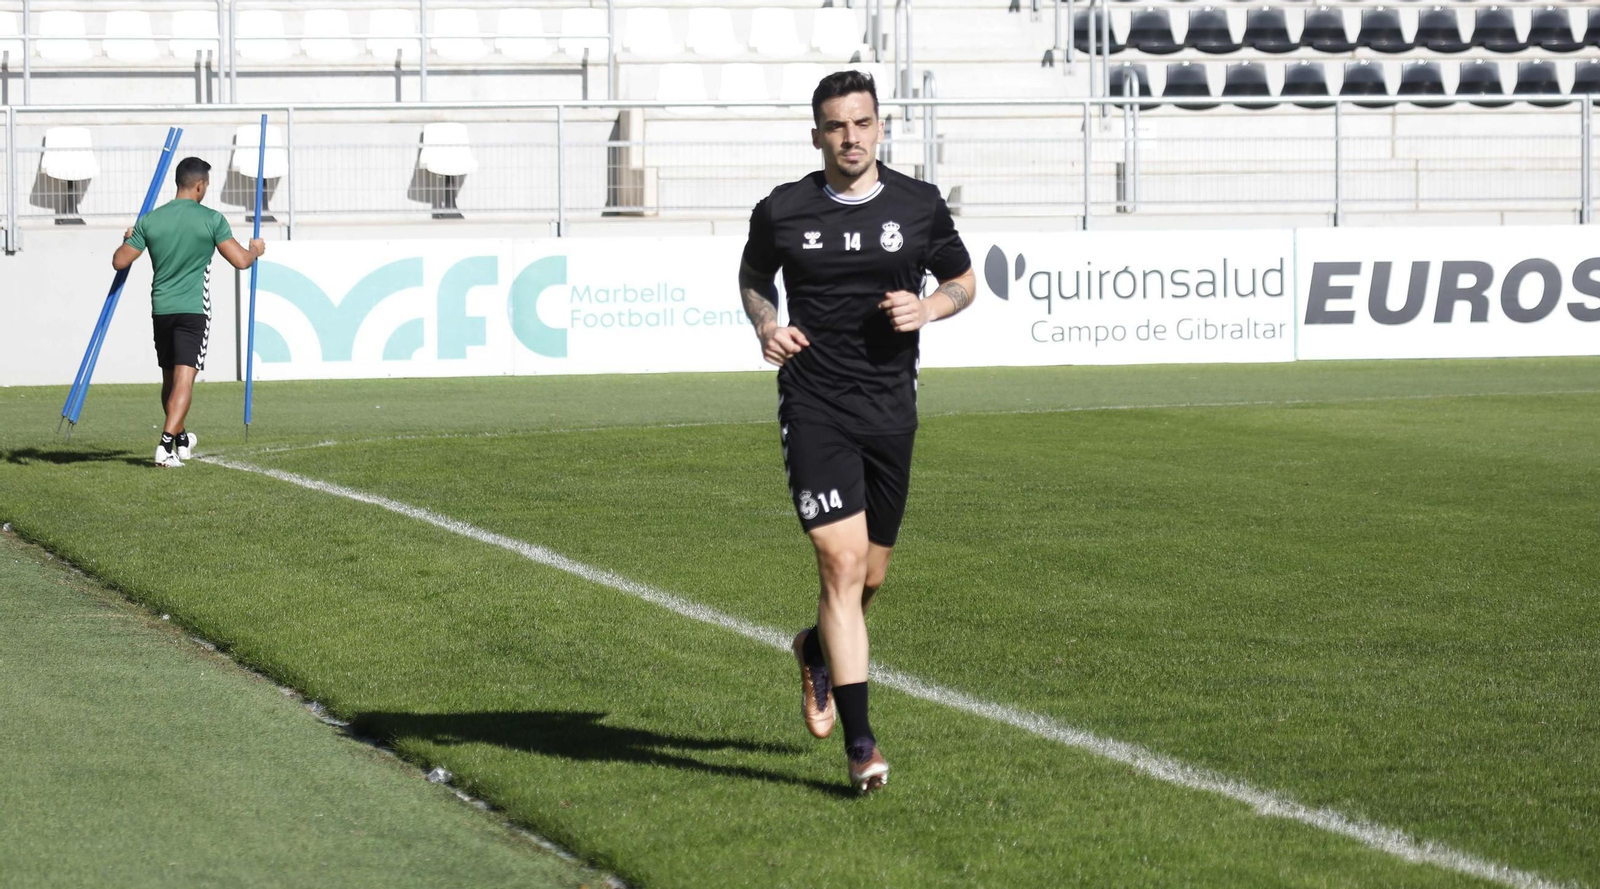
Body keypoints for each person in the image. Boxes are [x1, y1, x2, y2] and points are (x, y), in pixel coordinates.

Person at [738, 70, 976, 793]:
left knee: (870, 575)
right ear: (817, 134)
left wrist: (930, 308)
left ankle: (815, 646)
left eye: (862, 123)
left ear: (880, 127)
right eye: (836, 126)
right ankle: (862, 745)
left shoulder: (918, 205)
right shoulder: (782, 210)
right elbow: (754, 278)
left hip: (889, 410)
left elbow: (964, 280)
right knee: (840, 565)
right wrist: (766, 325)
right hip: (814, 405)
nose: (850, 137)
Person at [112, 157, 265, 467]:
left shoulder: (150, 220)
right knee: (184, 380)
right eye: (206, 185)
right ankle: (165, 445)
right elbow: (240, 261)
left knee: (169, 380)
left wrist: (127, 239)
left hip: (161, 310)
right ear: (199, 185)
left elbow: (119, 261)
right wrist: (256, 250)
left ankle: (181, 440)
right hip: (194, 310)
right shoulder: (211, 219)